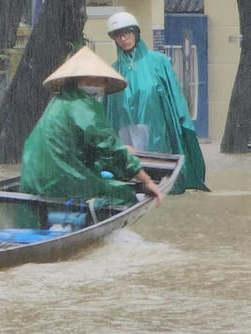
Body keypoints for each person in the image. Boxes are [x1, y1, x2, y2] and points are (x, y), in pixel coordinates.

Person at [20, 46, 165, 210]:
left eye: (100, 81)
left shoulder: (59, 102)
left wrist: (121, 150)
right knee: (124, 195)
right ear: (77, 81)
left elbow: (90, 145)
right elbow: (109, 146)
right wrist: (147, 181)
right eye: (91, 80)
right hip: (61, 181)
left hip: (32, 179)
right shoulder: (83, 105)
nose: (98, 85)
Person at [104, 11, 208, 193]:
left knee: (159, 171)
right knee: (133, 181)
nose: (123, 38)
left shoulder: (158, 62)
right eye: (118, 35)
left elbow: (175, 99)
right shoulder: (112, 71)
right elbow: (107, 111)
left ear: (136, 33)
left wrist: (183, 125)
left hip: (157, 131)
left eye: (127, 32)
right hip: (126, 133)